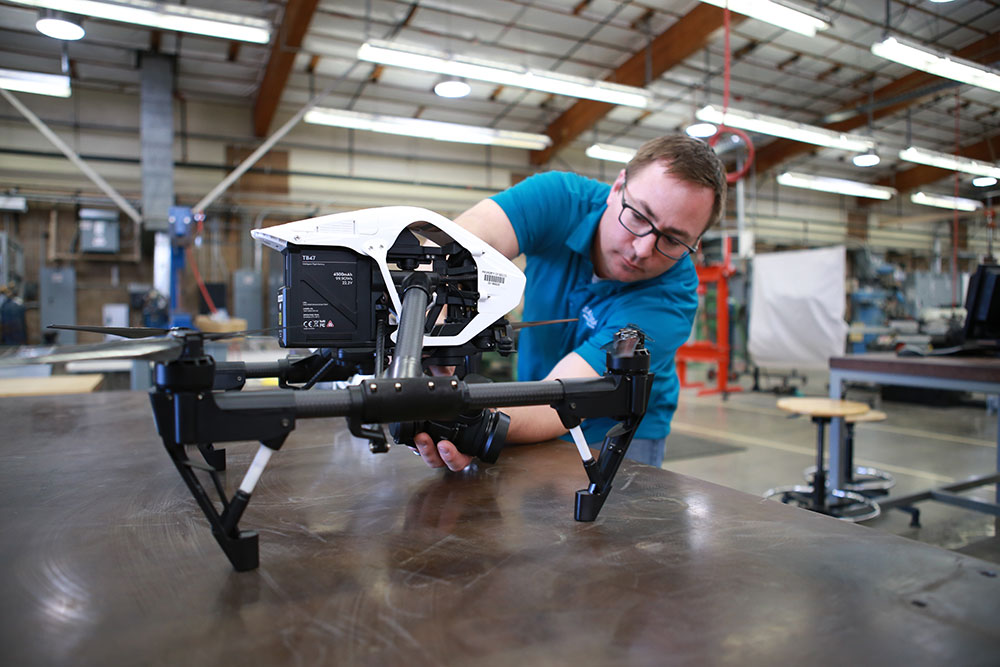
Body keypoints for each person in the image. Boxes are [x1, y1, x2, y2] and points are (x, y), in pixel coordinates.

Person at [414, 134, 727, 471]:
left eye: (673, 239)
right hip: (524, 400)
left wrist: (464, 421)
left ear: (695, 242)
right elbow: (462, 243)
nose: (642, 249)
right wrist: (431, 325)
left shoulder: (672, 297)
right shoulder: (559, 199)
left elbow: (562, 399)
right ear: (618, 187)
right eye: (639, 216)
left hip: (614, 434)